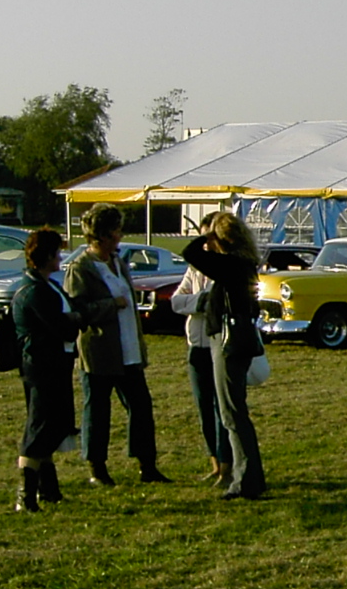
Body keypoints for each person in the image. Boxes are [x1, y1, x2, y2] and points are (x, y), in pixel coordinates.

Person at [64, 206, 169, 487]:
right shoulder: (81, 268)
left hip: (129, 350)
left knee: (141, 407)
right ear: (102, 235)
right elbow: (77, 311)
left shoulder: (118, 262)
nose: (120, 236)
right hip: (99, 353)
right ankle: (97, 468)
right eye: (116, 231)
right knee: (98, 411)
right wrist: (111, 305)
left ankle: (147, 465)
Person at [181, 211, 266, 501]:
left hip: (227, 343)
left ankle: (245, 479)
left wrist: (206, 236)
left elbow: (190, 253)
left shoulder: (229, 265)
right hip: (239, 341)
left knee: (231, 412)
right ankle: (250, 476)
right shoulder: (245, 263)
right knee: (235, 409)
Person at [10, 227, 85, 512]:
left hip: (54, 363)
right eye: (56, 253)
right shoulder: (35, 291)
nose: (60, 258)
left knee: (51, 425)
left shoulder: (46, 285)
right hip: (42, 366)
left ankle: (48, 489)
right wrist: (75, 319)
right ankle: (26, 495)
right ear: (46, 256)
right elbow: (62, 327)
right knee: (39, 427)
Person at [171, 261, 234, 485]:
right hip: (196, 346)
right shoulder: (194, 270)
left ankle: (227, 465)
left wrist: (196, 302)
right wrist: (201, 301)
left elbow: (222, 304)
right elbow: (176, 302)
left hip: (218, 345)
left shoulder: (226, 269)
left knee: (221, 409)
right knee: (203, 407)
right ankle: (214, 463)